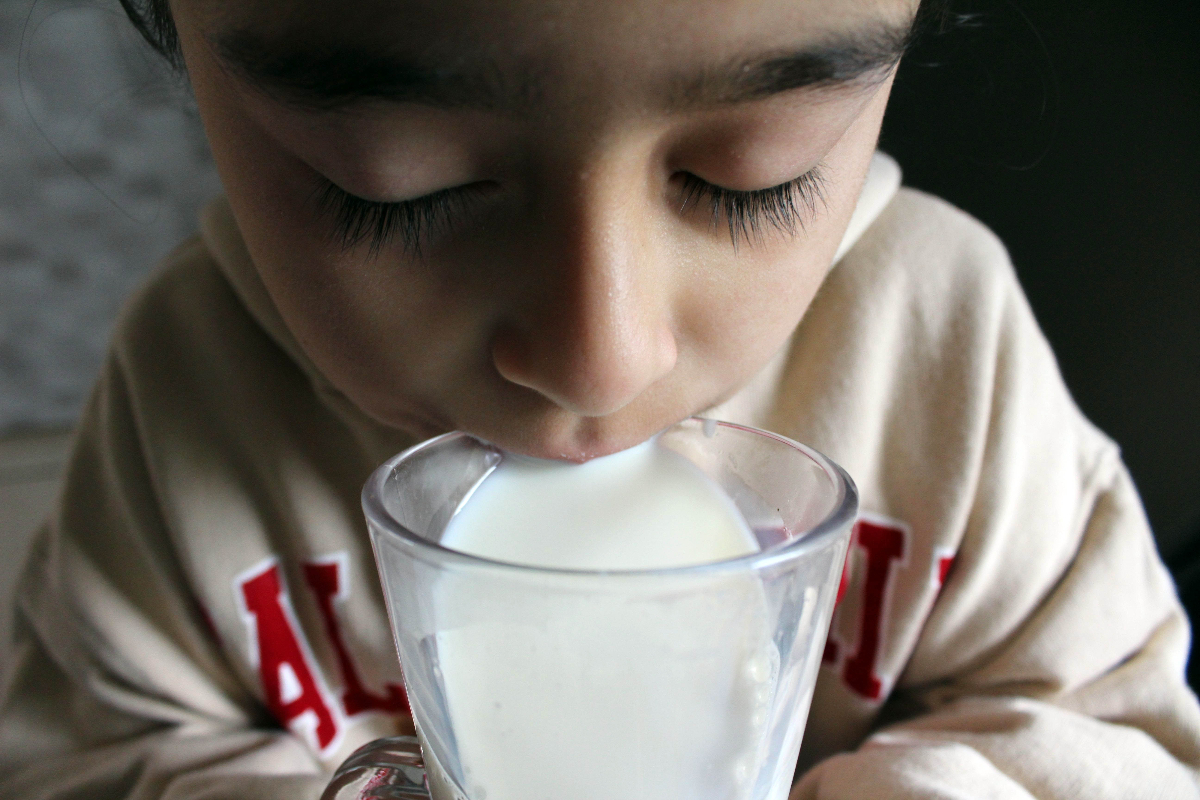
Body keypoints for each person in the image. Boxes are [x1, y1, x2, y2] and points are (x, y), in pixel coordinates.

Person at [2, 0, 1197, 797]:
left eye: (753, 177)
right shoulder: (186, 387)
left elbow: (1131, 737)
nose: (598, 359)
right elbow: (81, 755)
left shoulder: (941, 351)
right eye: (395, 186)